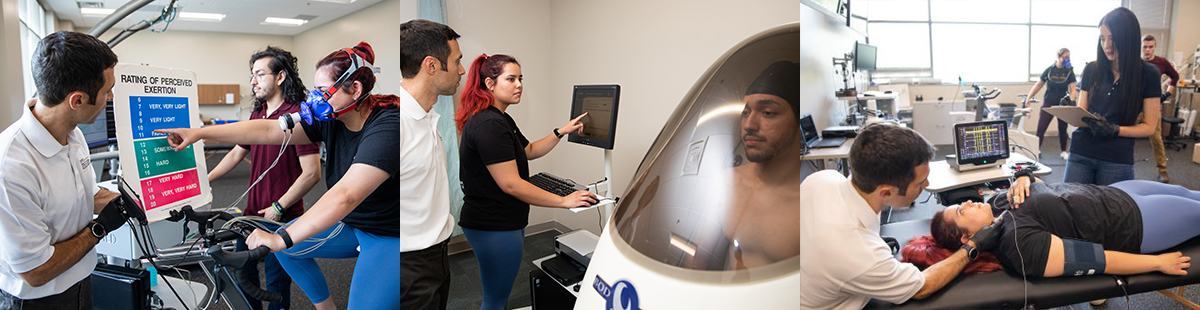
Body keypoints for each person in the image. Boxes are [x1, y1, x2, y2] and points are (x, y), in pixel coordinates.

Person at [157, 41, 412, 310]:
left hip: (389, 234)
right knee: (288, 246)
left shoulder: (388, 125)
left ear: (355, 89)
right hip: (352, 223)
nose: (316, 98)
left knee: (285, 241)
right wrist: (199, 133)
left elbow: (346, 195)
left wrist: (281, 237)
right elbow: (267, 132)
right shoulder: (331, 120)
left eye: (323, 91)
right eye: (315, 90)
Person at [799, 123, 1006, 309]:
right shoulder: (856, 252)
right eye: (919, 183)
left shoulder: (822, 179)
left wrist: (872, 238)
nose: (926, 186)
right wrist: (973, 246)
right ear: (886, 192)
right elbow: (922, 287)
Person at [0, 31, 131, 309]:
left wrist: (135, 200)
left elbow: (84, 194)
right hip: (38, 298)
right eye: (107, 90)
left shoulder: (72, 134)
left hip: (80, 279)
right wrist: (100, 228)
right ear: (77, 100)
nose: (111, 96)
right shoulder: (11, 166)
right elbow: (36, 271)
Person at [455, 53, 596, 310]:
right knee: (496, 299)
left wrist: (559, 132)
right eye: (511, 79)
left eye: (520, 78)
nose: (519, 84)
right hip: (494, 224)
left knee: (495, 293)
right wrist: (563, 201)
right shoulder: (489, 124)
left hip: (491, 220)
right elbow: (511, 184)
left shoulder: (499, 118)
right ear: (489, 84)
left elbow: (528, 150)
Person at [206, 46, 321, 310]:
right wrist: (207, 178)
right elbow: (236, 153)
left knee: (276, 283)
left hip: (281, 217)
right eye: (252, 75)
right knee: (243, 275)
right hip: (250, 214)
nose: (253, 81)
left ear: (280, 77)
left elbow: (313, 173)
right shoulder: (258, 114)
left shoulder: (297, 117)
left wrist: (279, 206)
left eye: (260, 74)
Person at [915, 175, 1193, 279]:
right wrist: (1156, 263)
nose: (970, 202)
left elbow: (1045, 191)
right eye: (963, 210)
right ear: (969, 236)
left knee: (1186, 189)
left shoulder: (998, 203)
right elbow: (1101, 260)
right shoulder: (1019, 246)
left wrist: (1026, 178)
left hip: (1119, 192)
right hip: (1135, 223)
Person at [1064, 7, 1162, 186]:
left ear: (1128, 39)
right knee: (1071, 209)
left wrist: (1115, 129)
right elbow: (1082, 114)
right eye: (1102, 38)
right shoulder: (1092, 70)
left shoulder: (1148, 74)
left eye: (1112, 38)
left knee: (1108, 212)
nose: (1106, 45)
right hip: (1081, 152)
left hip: (1116, 157)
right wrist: (1071, 109)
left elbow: (1149, 127)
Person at [726, 60, 802, 270]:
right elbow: (696, 261)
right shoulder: (726, 182)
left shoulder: (807, 202)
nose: (749, 125)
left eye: (767, 113)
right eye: (745, 112)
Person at [1023, 48, 1077, 160]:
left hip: (1062, 104)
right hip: (1048, 102)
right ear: (1058, 56)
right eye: (1065, 57)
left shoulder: (1069, 72)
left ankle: (1063, 151)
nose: (1067, 60)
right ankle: (1036, 149)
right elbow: (1039, 85)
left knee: (1063, 129)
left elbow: (1073, 89)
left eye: (1069, 57)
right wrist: (1029, 97)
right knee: (1041, 128)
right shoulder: (1049, 70)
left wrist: (1072, 100)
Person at [1141, 34, 1181, 183]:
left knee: (1156, 138)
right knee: (1125, 135)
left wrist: (1167, 94)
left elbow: (1175, 77)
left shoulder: (1161, 63)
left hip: (1153, 105)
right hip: (1135, 105)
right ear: (1141, 47)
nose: (1147, 50)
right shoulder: (1135, 62)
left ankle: (1162, 171)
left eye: (1150, 47)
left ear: (1155, 47)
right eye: (1145, 47)